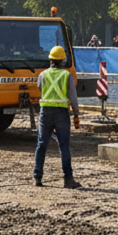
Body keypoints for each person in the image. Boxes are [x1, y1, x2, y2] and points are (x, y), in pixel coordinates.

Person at [32, 45, 82, 189]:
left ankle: (38, 177)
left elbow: (40, 88)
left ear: (51, 60)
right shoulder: (67, 76)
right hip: (61, 114)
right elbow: (73, 97)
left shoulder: (42, 75)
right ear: (63, 61)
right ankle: (68, 179)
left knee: (41, 145)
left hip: (45, 113)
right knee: (64, 145)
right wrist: (76, 114)